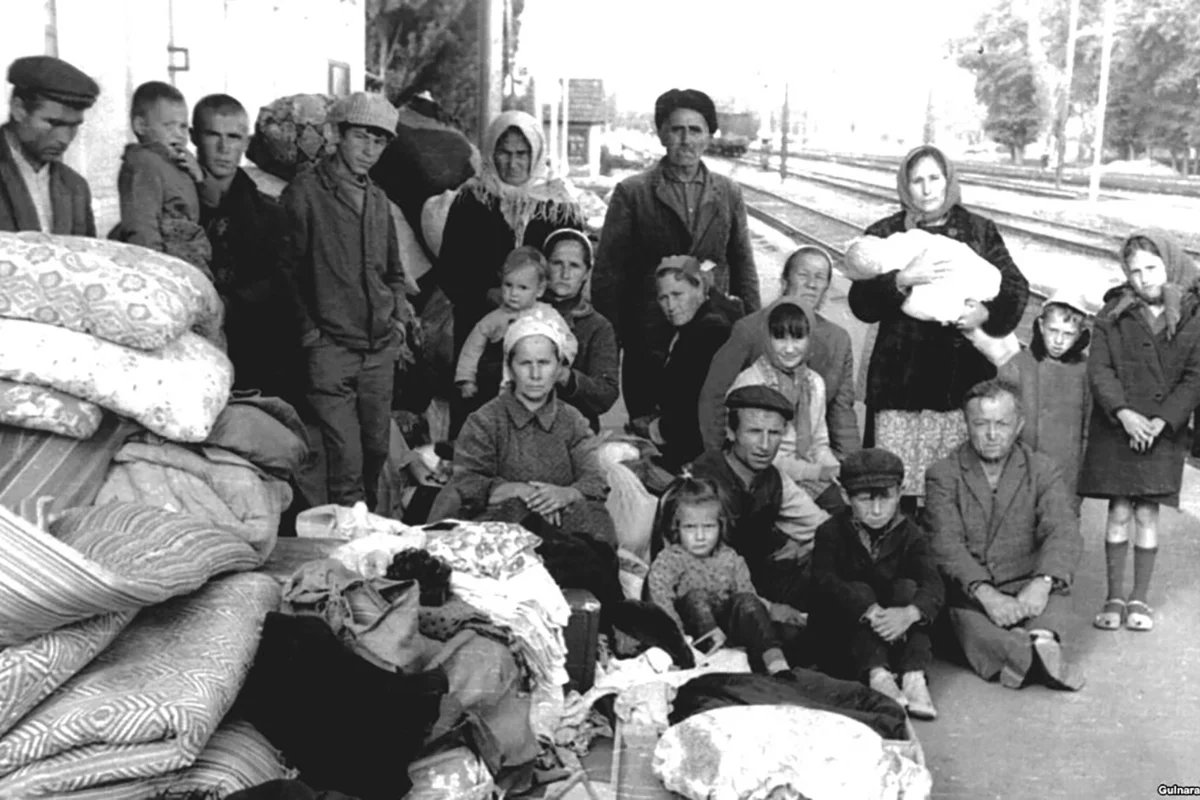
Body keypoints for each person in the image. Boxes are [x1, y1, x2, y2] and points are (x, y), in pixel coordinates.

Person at [850, 145, 1028, 509]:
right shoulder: (885, 233)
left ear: (948, 180)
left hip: (959, 381)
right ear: (905, 186)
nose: (927, 189)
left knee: (954, 490)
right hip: (900, 382)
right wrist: (901, 279)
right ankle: (901, 558)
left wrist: (986, 313)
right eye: (917, 181)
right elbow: (861, 304)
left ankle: (950, 561)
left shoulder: (979, 231)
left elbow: (1015, 288)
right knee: (894, 486)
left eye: (934, 178)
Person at [429, 308, 622, 611]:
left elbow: (594, 480)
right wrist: (519, 491)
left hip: (563, 527)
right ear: (510, 367)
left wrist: (564, 493)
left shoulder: (572, 421)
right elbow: (468, 481)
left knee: (596, 524)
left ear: (559, 366)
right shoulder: (485, 420)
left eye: (544, 363)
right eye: (525, 363)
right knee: (511, 514)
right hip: (504, 529)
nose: (535, 374)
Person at [592, 88, 760, 423]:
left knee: (708, 425)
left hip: (715, 332)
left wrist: (753, 330)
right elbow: (609, 274)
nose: (686, 140)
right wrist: (613, 343)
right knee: (651, 430)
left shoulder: (728, 193)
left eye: (695, 130)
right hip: (651, 336)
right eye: (676, 129)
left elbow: (742, 263)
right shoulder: (634, 193)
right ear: (661, 134)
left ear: (709, 136)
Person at [278, 92, 411, 509]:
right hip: (331, 348)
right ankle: (346, 551)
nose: (369, 150)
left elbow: (392, 270)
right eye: (361, 138)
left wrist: (400, 321)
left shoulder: (378, 199)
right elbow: (284, 270)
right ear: (338, 134)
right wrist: (308, 334)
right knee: (346, 461)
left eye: (379, 141)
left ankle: (368, 533)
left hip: (378, 349)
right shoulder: (306, 192)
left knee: (375, 452)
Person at [926, 378, 1084, 691]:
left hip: (1028, 584)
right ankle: (1030, 654)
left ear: (1019, 425)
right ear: (966, 424)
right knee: (965, 623)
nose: (992, 434)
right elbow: (946, 545)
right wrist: (986, 594)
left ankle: (1032, 646)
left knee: (1057, 596)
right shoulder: (943, 474)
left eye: (1002, 423)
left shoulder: (1042, 469)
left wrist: (1042, 583)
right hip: (970, 593)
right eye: (981, 424)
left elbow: (1063, 530)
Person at [1078, 231, 1200, 633]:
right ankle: (1114, 595)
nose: (1144, 278)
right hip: (1119, 427)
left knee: (1147, 512)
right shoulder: (1113, 312)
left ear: (1169, 265)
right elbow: (1100, 370)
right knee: (1118, 510)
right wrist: (1124, 413)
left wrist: (1163, 421)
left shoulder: (1193, 314)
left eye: (1152, 268)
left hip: (1164, 430)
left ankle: (1139, 599)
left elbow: (1194, 378)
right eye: (1135, 271)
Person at [810, 448, 943, 719]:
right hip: (847, 635)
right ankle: (878, 675)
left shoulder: (912, 534)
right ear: (845, 495)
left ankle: (913, 675)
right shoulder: (830, 532)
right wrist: (869, 610)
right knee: (858, 590)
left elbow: (934, 584)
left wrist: (909, 614)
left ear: (901, 491)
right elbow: (824, 581)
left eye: (886, 497)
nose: (877, 510)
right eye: (864, 500)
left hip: (899, 631)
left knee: (909, 588)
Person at [437, 110, 582, 359]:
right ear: (491, 151)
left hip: (542, 328)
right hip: (480, 329)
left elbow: (574, 267)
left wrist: (541, 300)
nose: (512, 163)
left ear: (535, 152)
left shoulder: (558, 204)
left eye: (521, 154)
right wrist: (487, 294)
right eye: (504, 152)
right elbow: (450, 268)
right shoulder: (472, 199)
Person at [700, 245, 859, 459]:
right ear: (784, 281)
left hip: (811, 453)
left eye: (820, 278)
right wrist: (718, 456)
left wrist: (852, 467)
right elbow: (714, 396)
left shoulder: (838, 340)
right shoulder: (749, 329)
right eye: (803, 275)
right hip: (757, 455)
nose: (811, 284)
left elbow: (841, 412)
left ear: (827, 288)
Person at [192, 93, 299, 403]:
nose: (224, 149)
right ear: (194, 137)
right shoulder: (176, 204)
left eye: (234, 137)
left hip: (250, 351)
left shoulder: (269, 213)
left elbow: (280, 283)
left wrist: (229, 304)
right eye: (213, 135)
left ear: (245, 142)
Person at [690, 385, 829, 620]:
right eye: (754, 432)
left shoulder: (772, 478)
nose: (765, 445)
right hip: (709, 594)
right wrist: (769, 608)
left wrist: (804, 548)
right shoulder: (704, 482)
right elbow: (701, 571)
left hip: (757, 581)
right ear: (731, 432)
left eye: (774, 433)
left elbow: (822, 527)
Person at [646, 474, 793, 676]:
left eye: (708, 527)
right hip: (693, 636)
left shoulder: (731, 558)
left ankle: (775, 661)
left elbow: (748, 599)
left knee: (748, 601)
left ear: (720, 526)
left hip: (730, 630)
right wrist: (678, 641)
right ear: (676, 528)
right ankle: (716, 656)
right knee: (696, 597)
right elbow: (661, 600)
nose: (700, 536)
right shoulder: (670, 559)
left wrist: (767, 611)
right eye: (690, 527)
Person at [727, 300, 842, 511]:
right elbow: (760, 455)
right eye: (779, 337)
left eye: (798, 337)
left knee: (846, 501)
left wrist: (834, 470)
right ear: (766, 338)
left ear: (810, 339)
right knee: (829, 515)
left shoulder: (814, 383)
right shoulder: (752, 384)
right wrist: (817, 473)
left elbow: (819, 442)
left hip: (805, 470)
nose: (789, 349)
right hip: (765, 474)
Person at [627, 255, 731, 470]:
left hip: (698, 452)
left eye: (677, 294)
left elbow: (692, 407)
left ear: (700, 289)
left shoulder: (708, 333)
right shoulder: (697, 324)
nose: (670, 306)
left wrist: (655, 430)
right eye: (663, 298)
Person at [1002, 289, 1092, 511]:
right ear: (1041, 326)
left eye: (1068, 334)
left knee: (1059, 526)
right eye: (1053, 331)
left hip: (1066, 469)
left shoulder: (1086, 372)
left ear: (1081, 334)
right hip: (1022, 464)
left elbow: (1089, 427)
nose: (1059, 341)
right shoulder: (1018, 365)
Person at [113, 81, 211, 274]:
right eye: (169, 126)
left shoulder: (177, 163)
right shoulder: (143, 162)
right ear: (141, 126)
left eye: (183, 126)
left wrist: (198, 177)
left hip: (188, 257)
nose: (179, 134)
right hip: (163, 263)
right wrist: (155, 272)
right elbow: (141, 225)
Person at [0, 55, 99, 235]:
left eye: (73, 126)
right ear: (18, 110)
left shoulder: (75, 187)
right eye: (53, 123)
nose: (64, 139)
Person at [454, 246, 562, 402]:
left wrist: (562, 362)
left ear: (539, 290)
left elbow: (566, 339)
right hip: (501, 387)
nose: (513, 294)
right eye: (508, 285)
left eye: (523, 287)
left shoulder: (548, 314)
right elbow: (472, 349)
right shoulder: (493, 320)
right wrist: (466, 379)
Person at [542, 227, 619, 431]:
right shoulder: (519, 313)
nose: (565, 273)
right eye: (557, 263)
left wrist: (566, 377)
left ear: (586, 273)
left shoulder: (597, 327)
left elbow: (606, 393)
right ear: (544, 265)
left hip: (574, 432)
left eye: (574, 266)